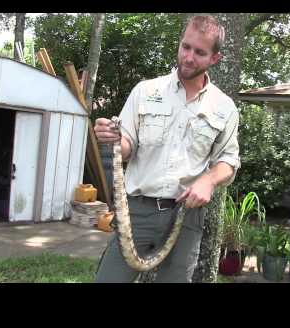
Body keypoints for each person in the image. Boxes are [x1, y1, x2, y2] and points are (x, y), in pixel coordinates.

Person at [94, 15, 240, 283]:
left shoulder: (224, 107)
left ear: (214, 59)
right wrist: (114, 138)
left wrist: (208, 180)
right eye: (186, 47)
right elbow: (127, 147)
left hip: (186, 218)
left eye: (199, 52)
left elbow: (228, 161)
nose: (189, 57)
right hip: (136, 212)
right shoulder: (145, 91)